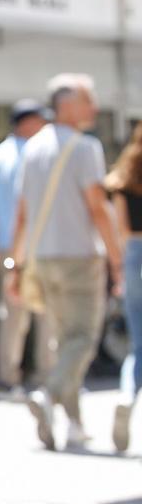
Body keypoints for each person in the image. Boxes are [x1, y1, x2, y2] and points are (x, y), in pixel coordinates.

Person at [8, 73, 122, 451]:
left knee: (63, 339)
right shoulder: (85, 147)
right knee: (82, 339)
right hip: (79, 257)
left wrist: (16, 264)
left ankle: (73, 423)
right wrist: (117, 260)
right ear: (67, 105)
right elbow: (98, 208)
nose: (93, 107)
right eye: (87, 100)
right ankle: (49, 395)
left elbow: (22, 214)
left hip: (42, 258)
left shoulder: (33, 148)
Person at [0, 99, 53, 402]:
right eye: (41, 120)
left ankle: (9, 378)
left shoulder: (0, 153)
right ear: (26, 122)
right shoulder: (25, 155)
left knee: (14, 313)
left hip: (5, 244)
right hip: (22, 245)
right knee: (32, 312)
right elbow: (24, 209)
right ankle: (43, 378)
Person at [106, 123, 142, 453]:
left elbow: (122, 230)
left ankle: (126, 396)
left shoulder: (123, 178)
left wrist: (118, 272)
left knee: (137, 342)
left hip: (132, 254)